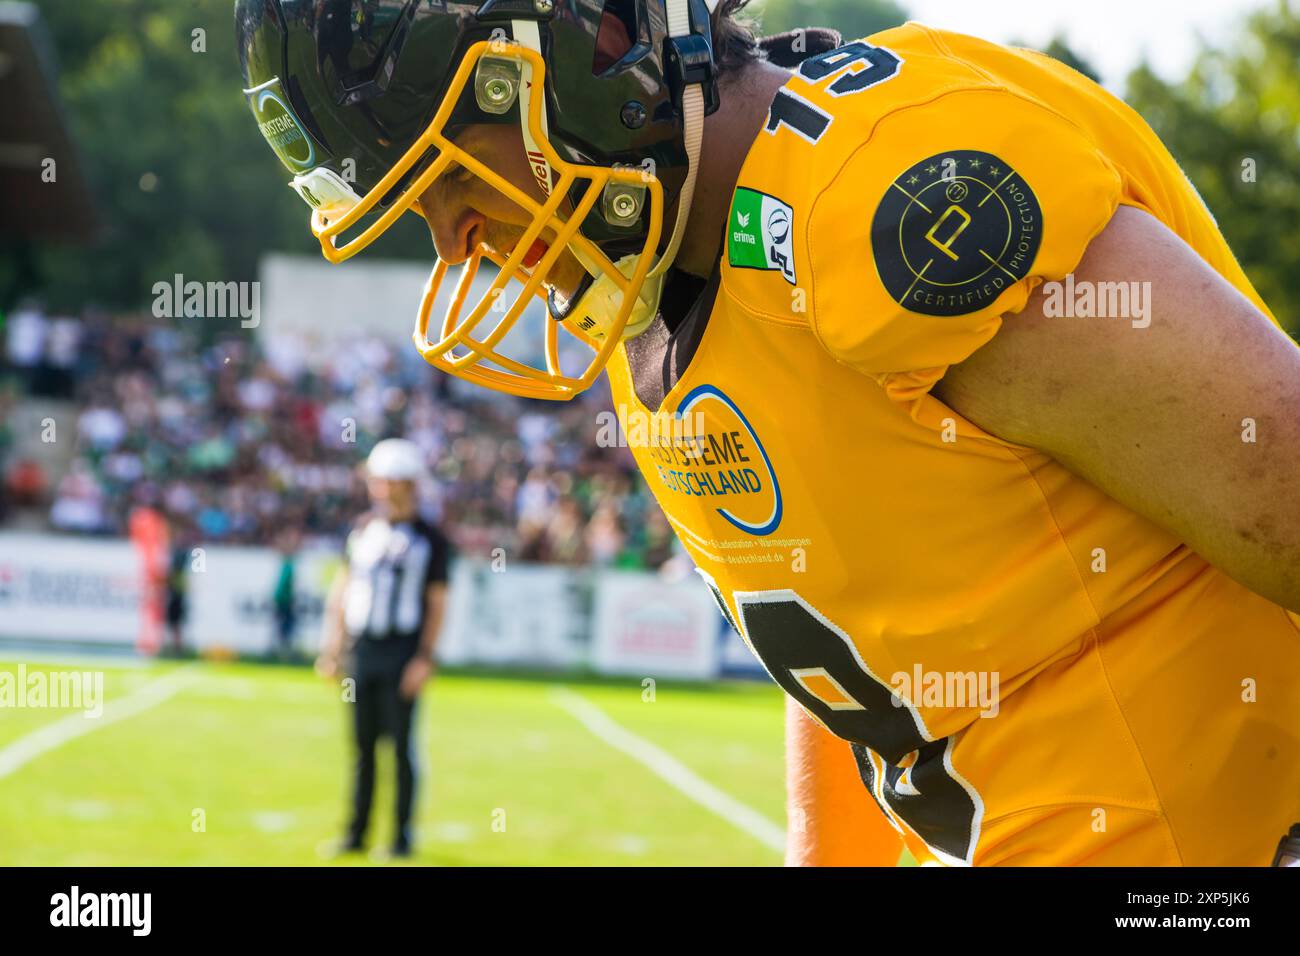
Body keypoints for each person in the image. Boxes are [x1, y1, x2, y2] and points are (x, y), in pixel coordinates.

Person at [237, 2, 1300, 865]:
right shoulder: (658, 306)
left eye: (451, 181)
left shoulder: (883, 191)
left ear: (583, 55)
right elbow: (864, 633)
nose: (457, 247)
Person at [316, 438, 451, 860]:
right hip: (362, 649)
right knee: (362, 746)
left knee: (401, 747)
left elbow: (437, 603)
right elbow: (341, 591)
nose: (381, 488)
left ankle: (401, 839)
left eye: (389, 480)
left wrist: (424, 657)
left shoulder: (431, 539)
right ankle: (356, 835)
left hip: (401, 652)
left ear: (408, 483)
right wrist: (332, 646)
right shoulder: (362, 531)